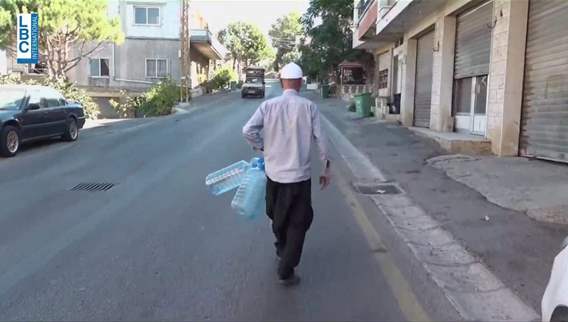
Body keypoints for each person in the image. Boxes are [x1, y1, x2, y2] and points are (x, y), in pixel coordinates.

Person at [242, 62, 331, 286]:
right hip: (300, 178)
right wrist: (326, 168)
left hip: (275, 177)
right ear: (300, 83)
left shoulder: (268, 106)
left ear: (282, 82)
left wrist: (263, 147)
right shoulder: (309, 107)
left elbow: (248, 130)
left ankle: (284, 258)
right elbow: (321, 139)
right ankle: (286, 267)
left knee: (277, 215)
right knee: (299, 222)